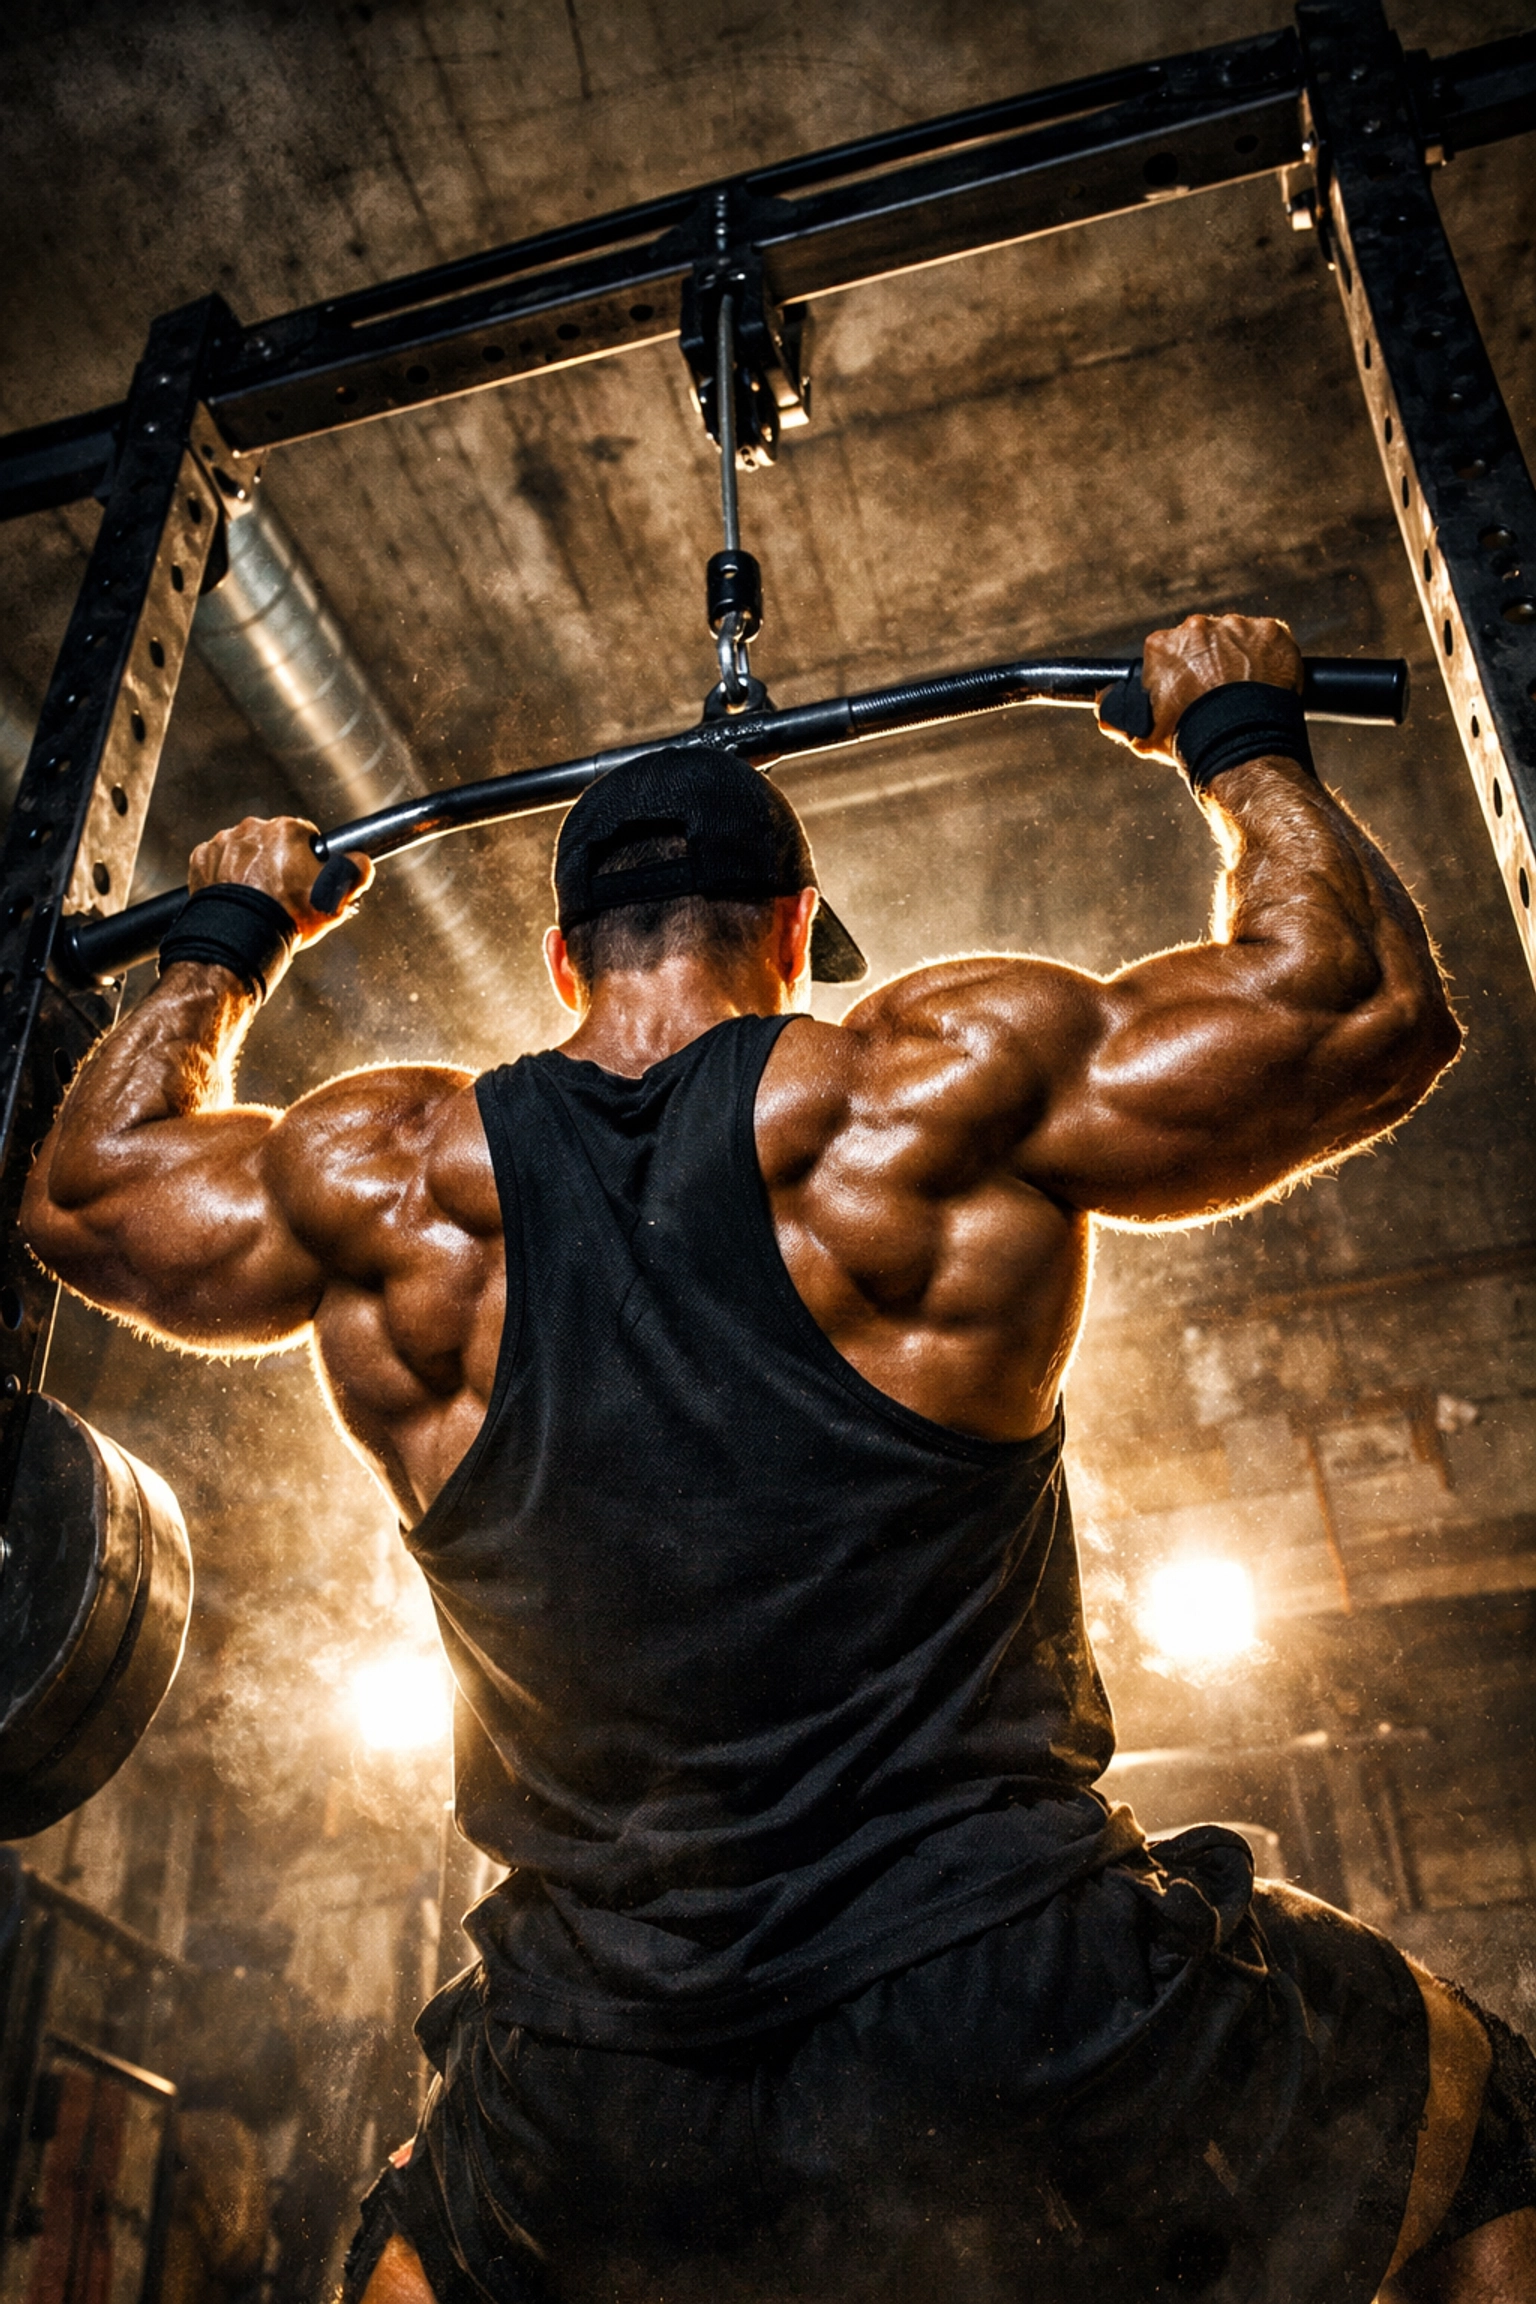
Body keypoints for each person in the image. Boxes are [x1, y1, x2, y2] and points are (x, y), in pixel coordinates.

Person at [22, 616, 1536, 2304]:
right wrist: (1240, 733)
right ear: (798, 930)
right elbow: (1363, 1007)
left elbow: (90, 1191)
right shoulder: (922, 1091)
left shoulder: (393, 1182)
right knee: (1482, 2125)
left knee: (407, 2251)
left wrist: (223, 939)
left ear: (563, 956)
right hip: (1017, 2005)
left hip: (602, 2073)